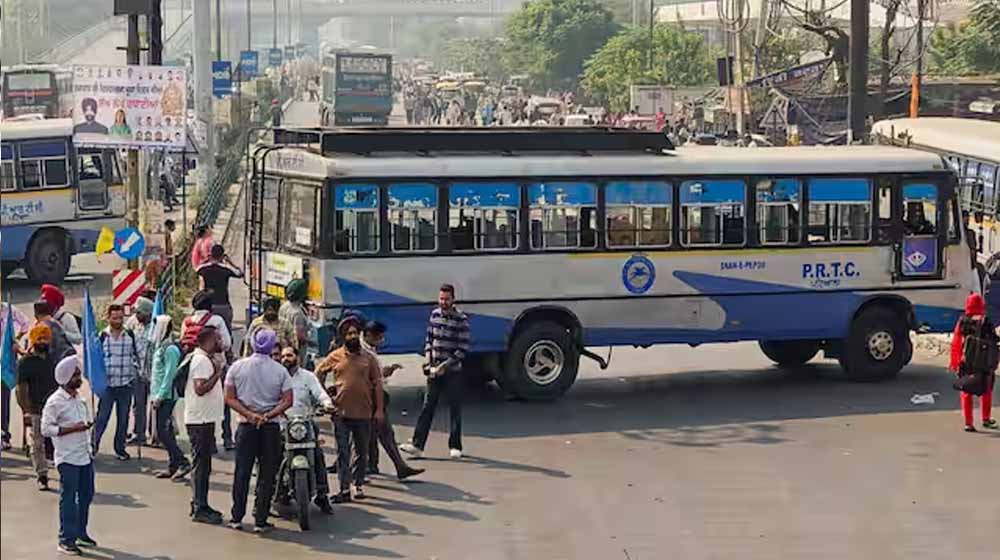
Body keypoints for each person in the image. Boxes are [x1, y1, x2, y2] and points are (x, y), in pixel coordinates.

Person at [224, 328, 293, 532]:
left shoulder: (237, 367)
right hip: (270, 427)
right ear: (272, 347)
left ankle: (237, 517)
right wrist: (269, 415)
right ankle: (260, 520)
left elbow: (229, 398)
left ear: (252, 344)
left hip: (246, 426)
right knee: (266, 474)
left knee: (242, 472)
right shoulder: (280, 371)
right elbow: (288, 400)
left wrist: (249, 415)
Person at [315, 316, 384, 502]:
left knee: (362, 452)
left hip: (364, 412)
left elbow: (378, 385)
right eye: (349, 334)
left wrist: (379, 410)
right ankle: (344, 489)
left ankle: (358, 484)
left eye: (355, 333)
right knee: (342, 452)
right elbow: (319, 372)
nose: (353, 336)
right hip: (340, 413)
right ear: (343, 337)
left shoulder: (369, 359)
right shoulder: (335, 356)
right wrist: (325, 396)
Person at [401, 283, 470, 459]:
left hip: (452, 370)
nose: (443, 302)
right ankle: (417, 445)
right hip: (434, 368)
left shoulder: (460, 319)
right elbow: (429, 339)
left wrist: (444, 366)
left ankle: (455, 445)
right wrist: (428, 359)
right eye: (441, 298)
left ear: (453, 299)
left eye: (446, 299)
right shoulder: (434, 314)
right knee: (427, 407)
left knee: (455, 407)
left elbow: (462, 349)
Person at [41, 356, 97, 555]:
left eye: (79, 374)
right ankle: (66, 539)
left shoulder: (79, 398)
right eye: (75, 375)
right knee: (69, 499)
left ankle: (81, 533)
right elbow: (46, 429)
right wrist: (72, 429)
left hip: (84, 455)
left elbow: (83, 421)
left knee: (86, 495)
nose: (78, 378)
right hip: (67, 458)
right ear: (65, 378)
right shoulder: (55, 402)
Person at [362, 321, 424, 481]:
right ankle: (397, 467)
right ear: (369, 335)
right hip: (372, 399)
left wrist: (387, 371)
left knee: (376, 434)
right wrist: (379, 407)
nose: (381, 341)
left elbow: (376, 374)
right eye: (379, 337)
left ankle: (373, 466)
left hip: (375, 397)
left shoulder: (370, 350)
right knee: (384, 433)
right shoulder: (364, 353)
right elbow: (370, 379)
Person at [278, 345, 334, 514]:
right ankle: (275, 492)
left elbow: (319, 392)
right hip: (283, 425)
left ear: (297, 357)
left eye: (289, 355)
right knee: (274, 455)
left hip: (305, 424)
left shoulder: (308, 377)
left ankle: (322, 495)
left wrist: (327, 403)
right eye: (283, 356)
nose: (286, 358)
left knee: (318, 456)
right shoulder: (277, 377)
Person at [183, 326, 225, 524]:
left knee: (204, 465)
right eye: (217, 339)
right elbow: (200, 389)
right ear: (209, 340)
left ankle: (201, 503)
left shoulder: (202, 358)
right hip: (199, 421)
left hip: (205, 419)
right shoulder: (201, 360)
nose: (221, 342)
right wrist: (218, 373)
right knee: (201, 465)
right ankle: (199, 507)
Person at [93, 304, 139, 461]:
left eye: (120, 318)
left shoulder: (130, 335)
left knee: (123, 419)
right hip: (108, 386)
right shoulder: (102, 336)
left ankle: (120, 448)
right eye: (114, 318)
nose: (118, 321)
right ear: (108, 318)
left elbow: (136, 356)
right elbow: (96, 359)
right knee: (101, 418)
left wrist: (135, 371)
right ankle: (93, 446)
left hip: (125, 384)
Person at [149, 315, 191, 480]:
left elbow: (169, 375)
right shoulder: (161, 347)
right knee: (167, 431)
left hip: (166, 396)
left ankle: (182, 461)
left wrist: (160, 396)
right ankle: (173, 465)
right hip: (158, 394)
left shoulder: (170, 350)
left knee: (162, 432)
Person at [16, 324, 58, 490]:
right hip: (35, 408)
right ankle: (42, 475)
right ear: (33, 340)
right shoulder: (25, 362)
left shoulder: (53, 359)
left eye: (45, 338)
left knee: (58, 442)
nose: (43, 342)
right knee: (37, 444)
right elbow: (20, 389)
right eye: (39, 338)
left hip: (55, 409)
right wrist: (26, 409)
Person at [949, 292, 998, 432]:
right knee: (986, 390)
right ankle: (986, 419)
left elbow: (956, 342)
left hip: (967, 362)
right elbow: (993, 341)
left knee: (966, 391)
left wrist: (955, 362)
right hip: (983, 363)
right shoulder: (985, 321)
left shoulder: (963, 320)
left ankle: (968, 423)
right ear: (981, 305)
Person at [1, 300, 30, 451]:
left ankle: (4, 435)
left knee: (4, 399)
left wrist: (16, 338)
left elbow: (25, 323)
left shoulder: (9, 309)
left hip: (5, 360)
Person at [125, 297, 154, 446]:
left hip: (154, 371)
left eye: (140, 312)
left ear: (148, 313)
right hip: (137, 369)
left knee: (155, 405)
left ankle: (155, 434)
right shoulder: (132, 323)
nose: (137, 315)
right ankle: (139, 433)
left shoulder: (157, 324)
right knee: (138, 403)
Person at [197, 244, 243, 330]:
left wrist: (207, 260)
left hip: (208, 306)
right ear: (222, 256)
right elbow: (240, 273)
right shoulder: (226, 269)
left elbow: (197, 269)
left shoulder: (203, 269)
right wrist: (231, 262)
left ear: (211, 255)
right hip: (223, 304)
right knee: (226, 331)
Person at [279, 278, 313, 355]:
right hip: (295, 352)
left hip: (283, 347)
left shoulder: (284, 306)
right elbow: (299, 337)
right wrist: (313, 343)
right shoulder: (297, 313)